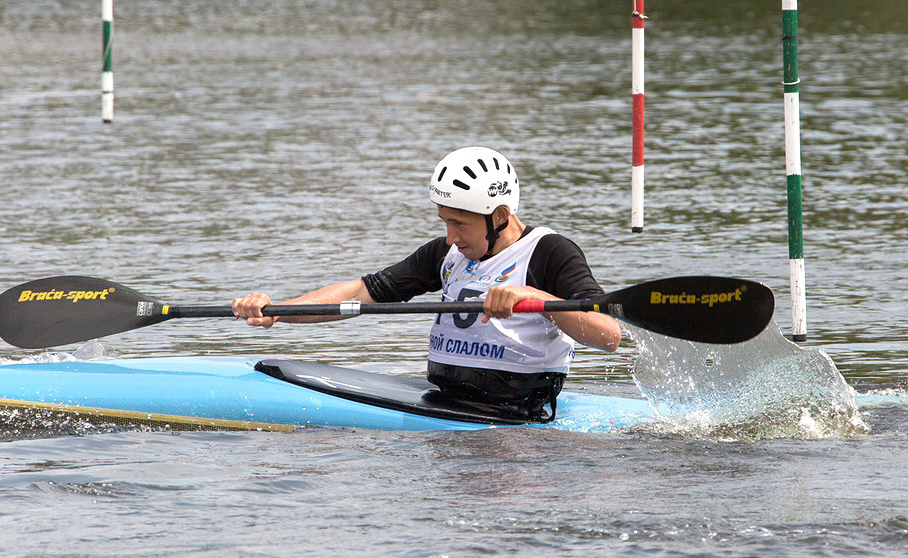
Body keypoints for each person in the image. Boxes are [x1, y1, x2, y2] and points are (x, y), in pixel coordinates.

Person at [232, 146, 620, 422]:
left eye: (460, 223)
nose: (451, 237)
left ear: (499, 216)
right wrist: (278, 312)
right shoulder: (445, 254)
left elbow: (608, 336)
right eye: (445, 222)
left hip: (516, 414)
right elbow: (360, 293)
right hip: (446, 400)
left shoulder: (550, 252)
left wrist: (534, 296)